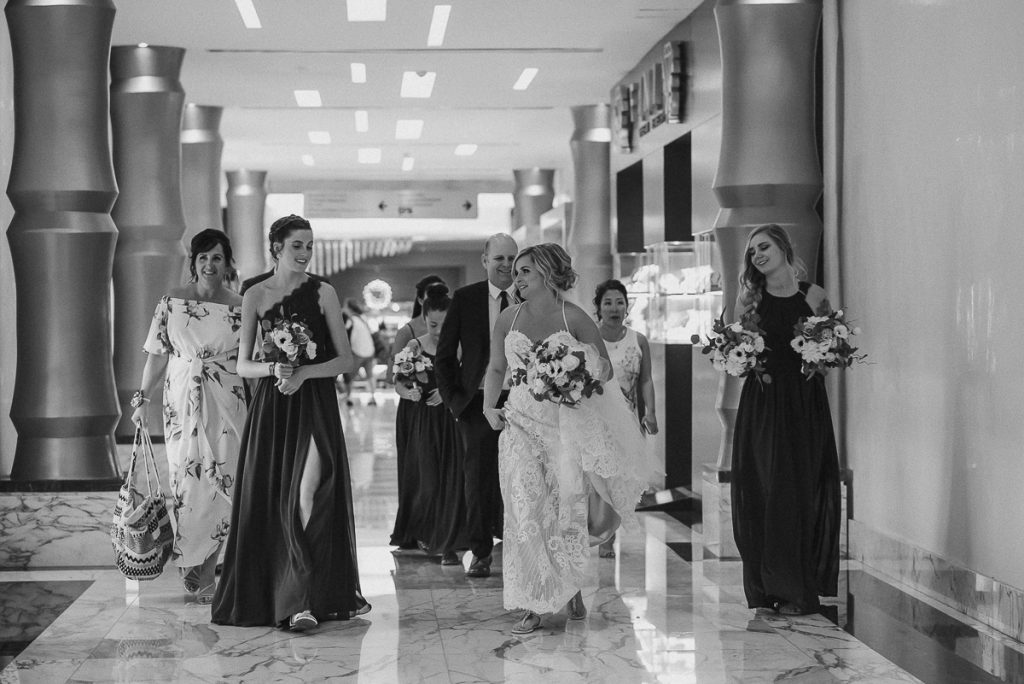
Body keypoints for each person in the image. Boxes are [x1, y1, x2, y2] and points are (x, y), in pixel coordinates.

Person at [482, 243, 652, 634]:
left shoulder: (573, 316)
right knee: (525, 510)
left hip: (564, 426)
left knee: (564, 511)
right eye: (516, 271)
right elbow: (495, 367)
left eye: (525, 271)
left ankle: (570, 587)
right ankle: (533, 600)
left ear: (545, 273)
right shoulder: (508, 317)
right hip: (519, 424)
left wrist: (569, 376)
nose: (517, 278)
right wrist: (489, 407)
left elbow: (604, 371)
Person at [212, 214, 370, 631]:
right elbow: (244, 364)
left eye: (309, 245)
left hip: (314, 403)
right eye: (297, 245)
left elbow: (345, 359)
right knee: (272, 498)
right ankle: (287, 598)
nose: (305, 253)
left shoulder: (324, 292)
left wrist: (302, 373)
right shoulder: (254, 295)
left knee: (307, 492)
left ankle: (302, 598)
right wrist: (275, 370)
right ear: (277, 248)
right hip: (272, 407)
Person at [730, 223, 841, 616]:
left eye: (763, 247)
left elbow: (830, 352)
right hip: (762, 404)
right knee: (764, 489)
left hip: (803, 404)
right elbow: (736, 354)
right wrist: (737, 355)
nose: (757, 255)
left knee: (797, 492)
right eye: (752, 251)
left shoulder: (815, 296)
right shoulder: (749, 299)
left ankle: (797, 589)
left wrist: (825, 354)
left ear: (782, 247)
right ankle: (766, 587)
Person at [131, 228, 246, 604]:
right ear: (193, 263)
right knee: (185, 483)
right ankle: (191, 561)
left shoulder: (242, 306)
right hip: (181, 400)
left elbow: (250, 364)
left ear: (227, 262)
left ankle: (209, 567)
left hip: (227, 400)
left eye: (217, 257)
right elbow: (156, 354)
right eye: (203, 258)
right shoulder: (171, 303)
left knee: (222, 482)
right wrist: (141, 398)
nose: (210, 264)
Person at [435, 234, 518, 578]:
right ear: (485, 260)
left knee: (521, 478)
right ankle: (481, 552)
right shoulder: (467, 299)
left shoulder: (529, 297)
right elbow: (444, 356)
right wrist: (457, 402)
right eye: (498, 258)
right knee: (479, 479)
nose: (506, 265)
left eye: (512, 258)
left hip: (524, 399)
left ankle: (519, 548)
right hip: (478, 402)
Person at [397, 283, 469, 564]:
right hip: (425, 419)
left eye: (445, 324)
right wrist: (409, 392)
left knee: (453, 479)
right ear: (424, 320)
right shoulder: (414, 346)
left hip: (453, 419)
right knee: (427, 479)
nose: (439, 331)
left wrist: (449, 393)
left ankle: (450, 541)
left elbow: (471, 381)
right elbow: (399, 383)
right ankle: (427, 532)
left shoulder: (462, 346)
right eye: (433, 324)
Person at [593, 278, 660, 558]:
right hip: (598, 421)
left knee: (623, 479)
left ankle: (612, 531)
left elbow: (646, 380)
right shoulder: (590, 338)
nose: (614, 307)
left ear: (627, 306)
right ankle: (601, 533)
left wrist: (651, 411)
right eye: (608, 302)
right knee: (601, 479)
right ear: (598, 307)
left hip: (630, 421)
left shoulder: (638, 340)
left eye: (620, 302)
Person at [389, 274, 446, 549]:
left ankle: (443, 528)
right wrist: (409, 392)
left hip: (445, 413)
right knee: (419, 471)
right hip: (416, 412)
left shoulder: (453, 336)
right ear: (422, 302)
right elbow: (398, 377)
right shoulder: (409, 335)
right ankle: (420, 528)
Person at [341, 298, 378, 406]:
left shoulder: (350, 320)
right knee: (370, 375)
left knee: (349, 376)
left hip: (357, 352)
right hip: (370, 351)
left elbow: (343, 333)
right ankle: (373, 397)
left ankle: (349, 398)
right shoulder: (363, 318)